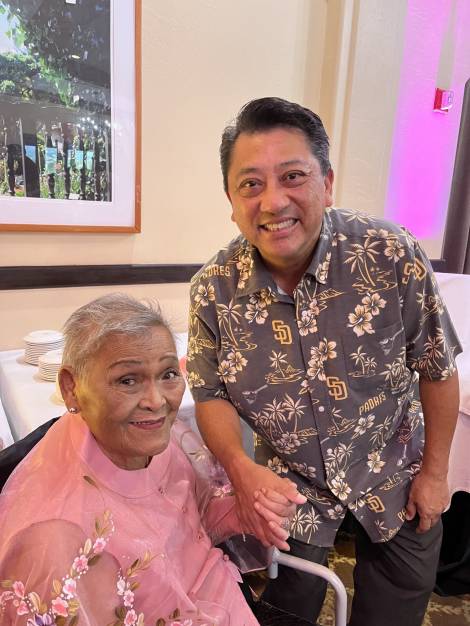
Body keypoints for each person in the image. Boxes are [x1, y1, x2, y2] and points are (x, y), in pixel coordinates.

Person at [186, 97, 462, 626]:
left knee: (398, 604)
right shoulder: (213, 290)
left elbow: (437, 368)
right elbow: (209, 393)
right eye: (251, 184)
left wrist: (434, 473)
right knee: (285, 608)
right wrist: (241, 470)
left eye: (293, 176)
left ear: (327, 183)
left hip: (394, 465)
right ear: (231, 200)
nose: (273, 202)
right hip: (291, 485)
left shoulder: (389, 254)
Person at [0, 293, 299, 626]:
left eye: (168, 374)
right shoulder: (53, 538)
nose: (157, 402)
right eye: (127, 380)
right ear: (72, 388)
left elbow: (189, 521)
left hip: (220, 600)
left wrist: (244, 509)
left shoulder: (157, 437)